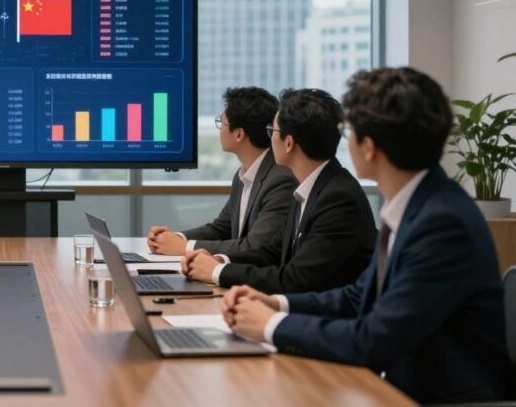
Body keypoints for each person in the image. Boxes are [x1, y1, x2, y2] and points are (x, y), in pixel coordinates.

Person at [222, 68, 512, 403]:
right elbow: (357, 298)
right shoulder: (415, 203)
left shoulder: (443, 224)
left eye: (348, 131)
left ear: (369, 147)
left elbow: (374, 340)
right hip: (394, 385)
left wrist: (271, 325)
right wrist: (275, 303)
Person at [183, 88, 376, 293]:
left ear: (289, 143)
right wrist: (218, 261)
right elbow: (270, 251)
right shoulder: (311, 186)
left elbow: (295, 279)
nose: (269, 139)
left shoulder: (338, 198)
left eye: (272, 131)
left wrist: (217, 272)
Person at [147, 87, 297, 257]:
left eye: (222, 122)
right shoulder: (244, 175)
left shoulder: (280, 179)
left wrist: (185, 247)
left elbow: (256, 246)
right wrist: (175, 239)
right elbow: (222, 228)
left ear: (239, 134)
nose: (220, 129)